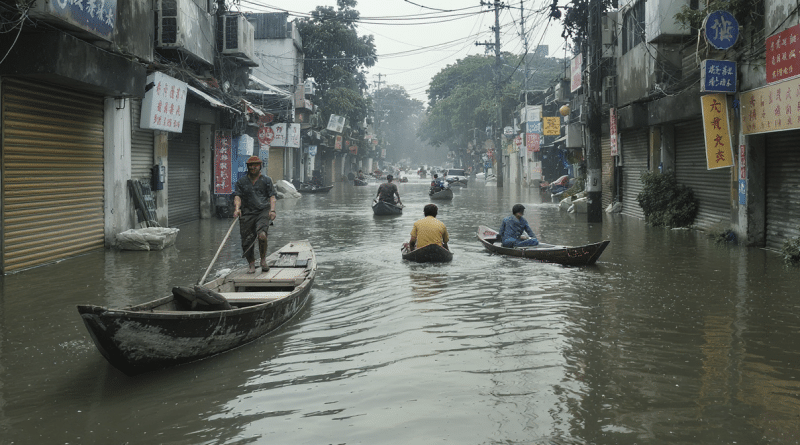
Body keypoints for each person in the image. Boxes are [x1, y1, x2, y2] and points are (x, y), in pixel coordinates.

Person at [233, 156, 277, 274]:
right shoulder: (241, 182)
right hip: (247, 213)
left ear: (260, 166)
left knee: (262, 235)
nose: (253, 167)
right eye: (251, 165)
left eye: (256, 165)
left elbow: (272, 196)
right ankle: (251, 264)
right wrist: (237, 209)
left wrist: (272, 210)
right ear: (248, 167)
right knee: (247, 240)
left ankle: (263, 260)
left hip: (262, 211)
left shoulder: (267, 180)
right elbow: (237, 196)